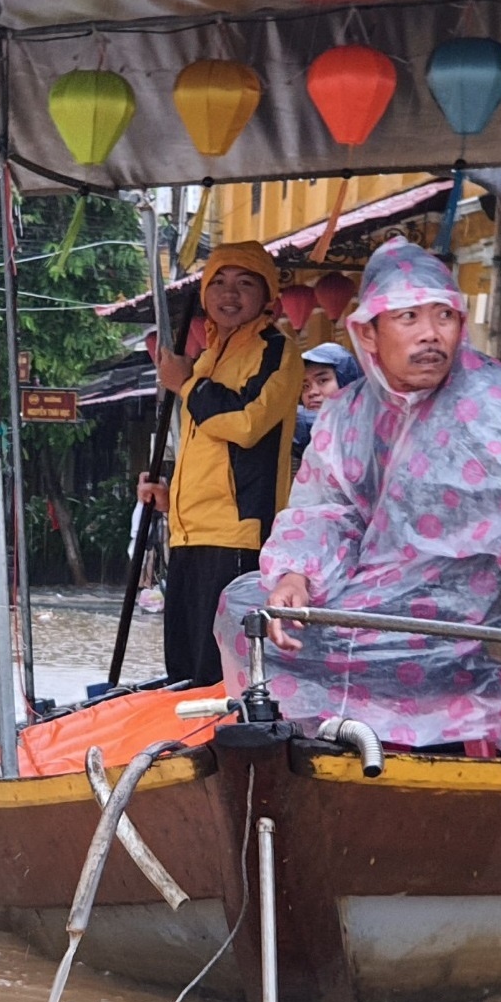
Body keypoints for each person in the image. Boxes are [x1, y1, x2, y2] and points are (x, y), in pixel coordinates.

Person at [213, 239, 501, 753]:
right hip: (371, 591)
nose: (430, 334)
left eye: (444, 316)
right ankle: (314, 740)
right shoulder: (348, 412)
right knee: (244, 606)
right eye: (408, 317)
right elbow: (326, 510)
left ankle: (421, 739)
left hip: (460, 610)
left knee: (383, 638)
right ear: (369, 332)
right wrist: (295, 576)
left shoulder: (486, 403)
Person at [136, 241, 304, 687]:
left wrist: (187, 385)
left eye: (245, 283)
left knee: (222, 672)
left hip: (237, 535)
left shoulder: (277, 350)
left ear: (267, 295)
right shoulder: (207, 358)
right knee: (184, 666)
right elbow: (210, 451)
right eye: (219, 283)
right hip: (190, 534)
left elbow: (246, 424)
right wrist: (170, 497)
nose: (229, 294)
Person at [292, 341, 361, 469]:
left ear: (347, 381)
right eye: (305, 386)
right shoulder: (305, 433)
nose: (312, 392)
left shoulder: (367, 423)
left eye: (322, 380)